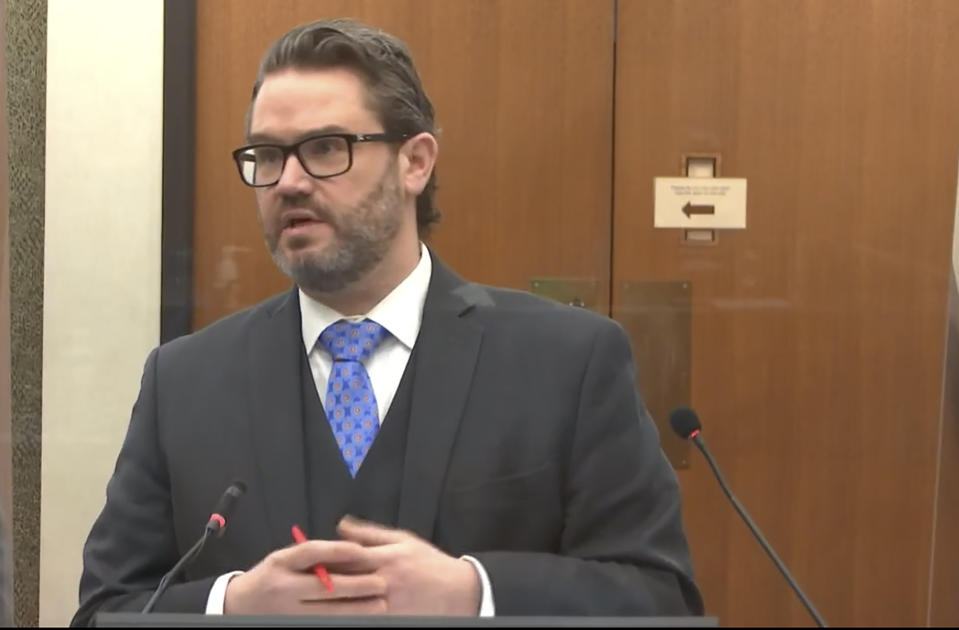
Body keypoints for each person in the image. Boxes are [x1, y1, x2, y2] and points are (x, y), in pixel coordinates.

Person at [71, 18, 704, 625]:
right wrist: (231, 608)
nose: (288, 182)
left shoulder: (570, 361)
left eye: (325, 148)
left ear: (415, 162)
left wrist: (473, 594)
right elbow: (105, 612)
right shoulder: (183, 381)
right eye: (266, 156)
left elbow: (661, 601)